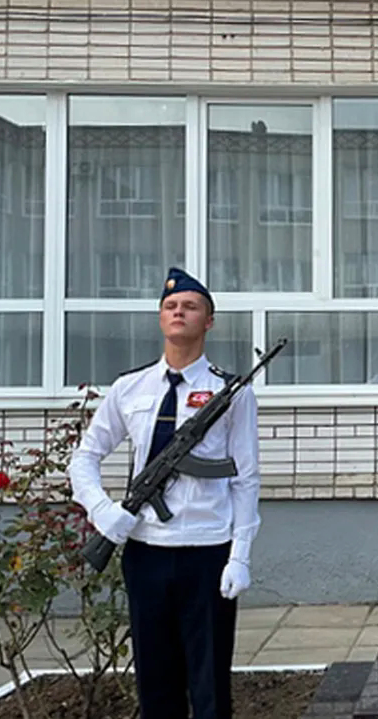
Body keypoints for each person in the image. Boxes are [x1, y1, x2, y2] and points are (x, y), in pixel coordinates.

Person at [69, 267, 261, 719]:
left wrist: (241, 554)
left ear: (208, 321)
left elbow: (246, 478)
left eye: (191, 306)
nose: (179, 312)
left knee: (210, 685)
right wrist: (103, 511)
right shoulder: (129, 388)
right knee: (156, 684)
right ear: (160, 319)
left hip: (208, 552)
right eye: (171, 306)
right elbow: (85, 457)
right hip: (146, 553)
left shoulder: (230, 392)